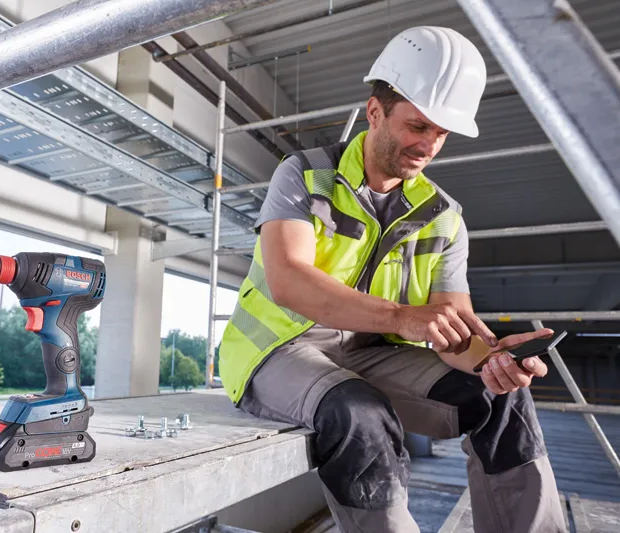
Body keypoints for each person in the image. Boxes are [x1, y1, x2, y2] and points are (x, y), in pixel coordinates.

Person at [218, 26, 566, 533]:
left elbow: (454, 328)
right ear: (375, 111)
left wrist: (489, 359)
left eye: (441, 134)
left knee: (503, 400)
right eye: (418, 126)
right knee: (359, 413)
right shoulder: (305, 176)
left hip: (370, 352)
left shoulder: (444, 215)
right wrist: (403, 318)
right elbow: (289, 280)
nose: (428, 145)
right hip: (279, 349)